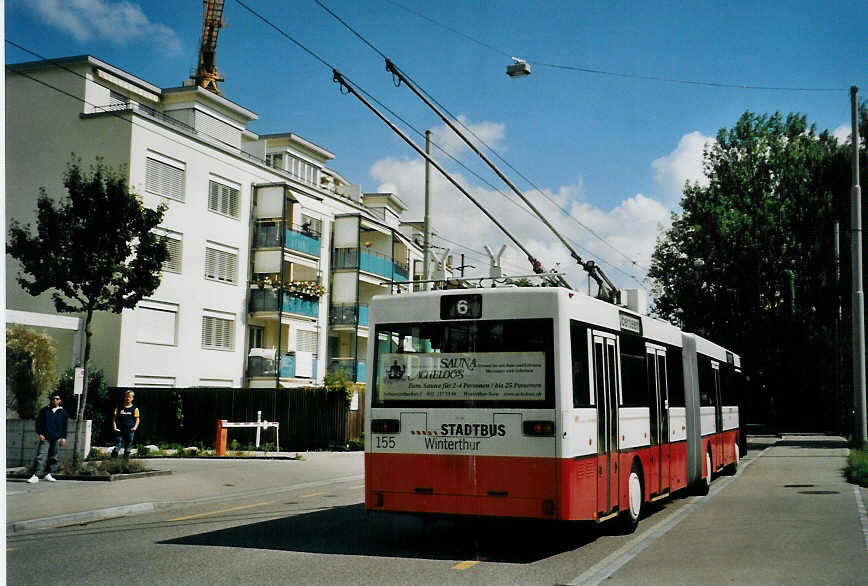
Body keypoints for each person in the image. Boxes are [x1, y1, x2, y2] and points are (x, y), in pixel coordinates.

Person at [26, 393, 69, 483]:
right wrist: (40, 434)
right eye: (53, 398)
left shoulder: (63, 412)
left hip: (57, 438)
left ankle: (48, 474)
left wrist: (64, 437)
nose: (55, 400)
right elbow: (38, 423)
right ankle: (36, 475)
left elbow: (64, 426)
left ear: (60, 400)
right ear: (51, 400)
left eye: (57, 399)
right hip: (45, 437)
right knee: (41, 455)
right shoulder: (44, 410)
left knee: (54, 457)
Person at [111, 391, 140, 459]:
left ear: (132, 398)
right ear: (124, 397)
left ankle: (125, 464)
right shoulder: (119, 408)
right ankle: (113, 462)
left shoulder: (135, 408)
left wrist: (135, 427)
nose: (128, 398)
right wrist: (115, 427)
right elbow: (114, 419)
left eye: (129, 397)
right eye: (126, 396)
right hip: (120, 430)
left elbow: (137, 419)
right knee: (117, 446)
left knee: (128, 447)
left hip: (130, 430)